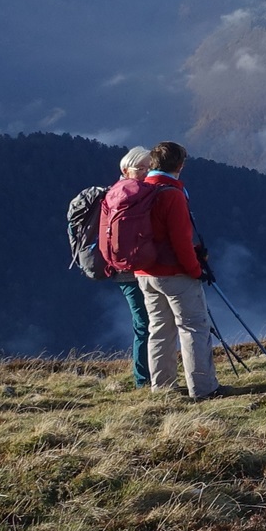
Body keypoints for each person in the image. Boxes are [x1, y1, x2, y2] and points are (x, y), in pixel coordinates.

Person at [101, 140, 219, 399]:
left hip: (144, 274)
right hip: (175, 273)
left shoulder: (141, 190)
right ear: (180, 165)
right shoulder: (171, 194)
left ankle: (162, 390)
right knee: (192, 327)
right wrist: (196, 269)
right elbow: (180, 240)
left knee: (159, 330)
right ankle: (203, 389)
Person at [111, 146, 155, 387]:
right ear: (125, 169)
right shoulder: (135, 196)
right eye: (140, 168)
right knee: (145, 325)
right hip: (133, 271)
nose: (145, 172)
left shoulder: (113, 194)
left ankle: (146, 378)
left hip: (123, 272)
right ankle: (143, 380)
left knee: (145, 324)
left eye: (149, 167)